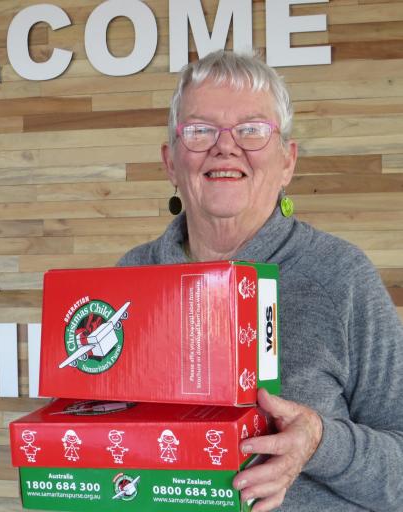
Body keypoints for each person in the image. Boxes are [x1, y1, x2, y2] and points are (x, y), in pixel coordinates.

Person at [118, 50, 403, 511]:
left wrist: (320, 443)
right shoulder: (129, 280)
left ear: (287, 161)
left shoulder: (341, 276)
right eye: (200, 130)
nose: (224, 147)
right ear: (171, 162)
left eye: (251, 130)